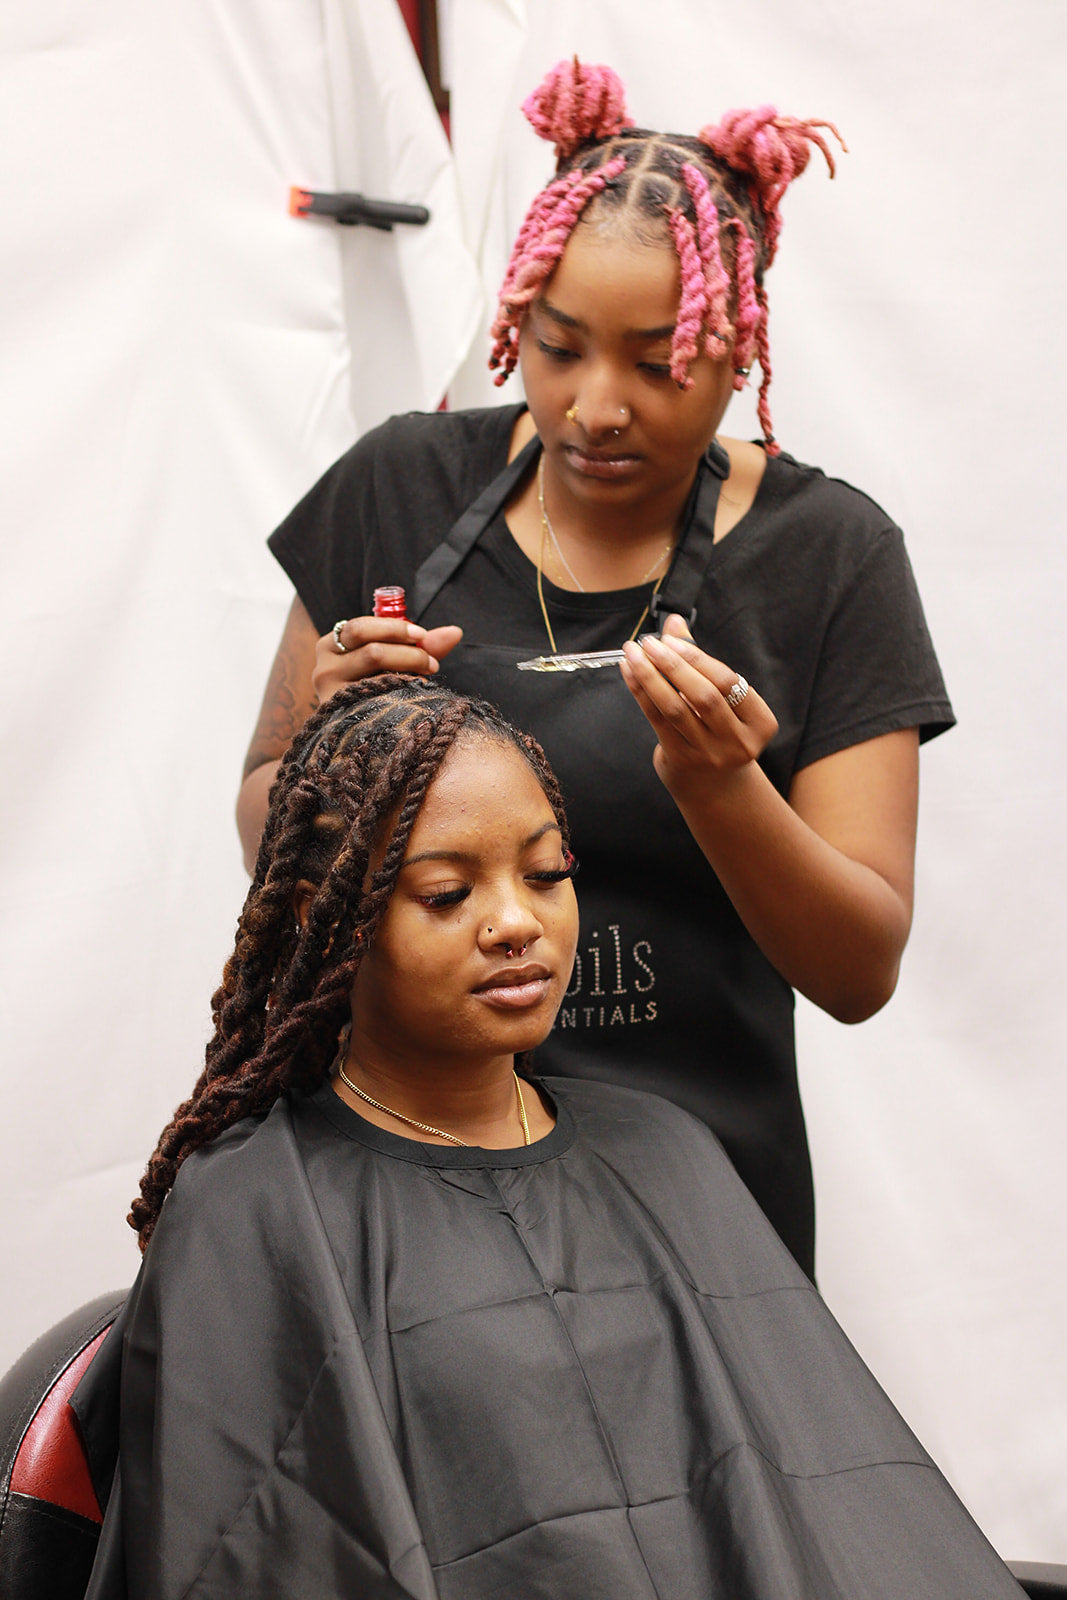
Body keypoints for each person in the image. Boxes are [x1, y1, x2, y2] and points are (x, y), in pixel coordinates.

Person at [235, 59, 955, 1276]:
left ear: (738, 349)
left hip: (703, 1203)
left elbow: (856, 968)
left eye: (656, 362)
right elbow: (263, 834)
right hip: (399, 1178)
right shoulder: (398, 488)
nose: (595, 407)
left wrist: (722, 787)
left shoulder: (825, 557)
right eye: (558, 349)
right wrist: (320, 757)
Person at [81, 680, 1017, 1599]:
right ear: (322, 916)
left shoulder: (664, 1149)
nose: (517, 923)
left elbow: (827, 1504)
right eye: (447, 893)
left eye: (545, 874)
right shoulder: (251, 1208)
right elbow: (254, 1551)